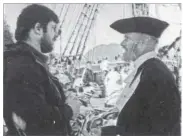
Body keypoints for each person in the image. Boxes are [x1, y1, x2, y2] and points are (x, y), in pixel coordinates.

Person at [93, 17, 181, 136]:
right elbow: (140, 122)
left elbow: (159, 130)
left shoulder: (156, 75)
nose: (122, 43)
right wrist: (105, 131)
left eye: (127, 38)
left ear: (144, 42)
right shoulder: (146, 69)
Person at [4, 4, 81, 136]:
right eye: (53, 28)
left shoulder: (29, 61)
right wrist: (70, 110)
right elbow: (35, 119)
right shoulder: (23, 64)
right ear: (38, 28)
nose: (57, 34)